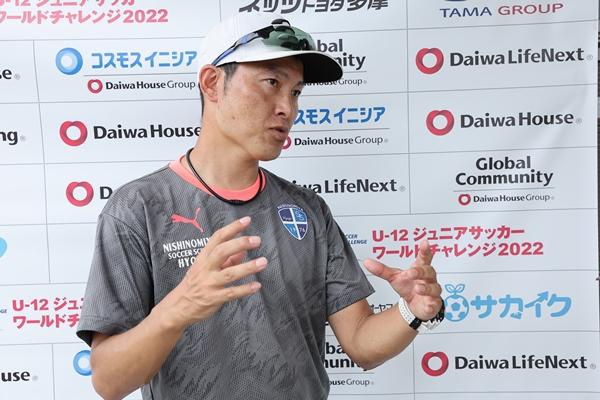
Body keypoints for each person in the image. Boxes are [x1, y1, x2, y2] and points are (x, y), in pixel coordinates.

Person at [76, 12, 444, 400]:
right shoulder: (138, 208)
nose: (288, 108)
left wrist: (413, 310)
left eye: (296, 92)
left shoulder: (308, 210)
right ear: (212, 83)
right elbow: (109, 381)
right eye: (271, 83)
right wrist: (180, 306)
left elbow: (361, 343)